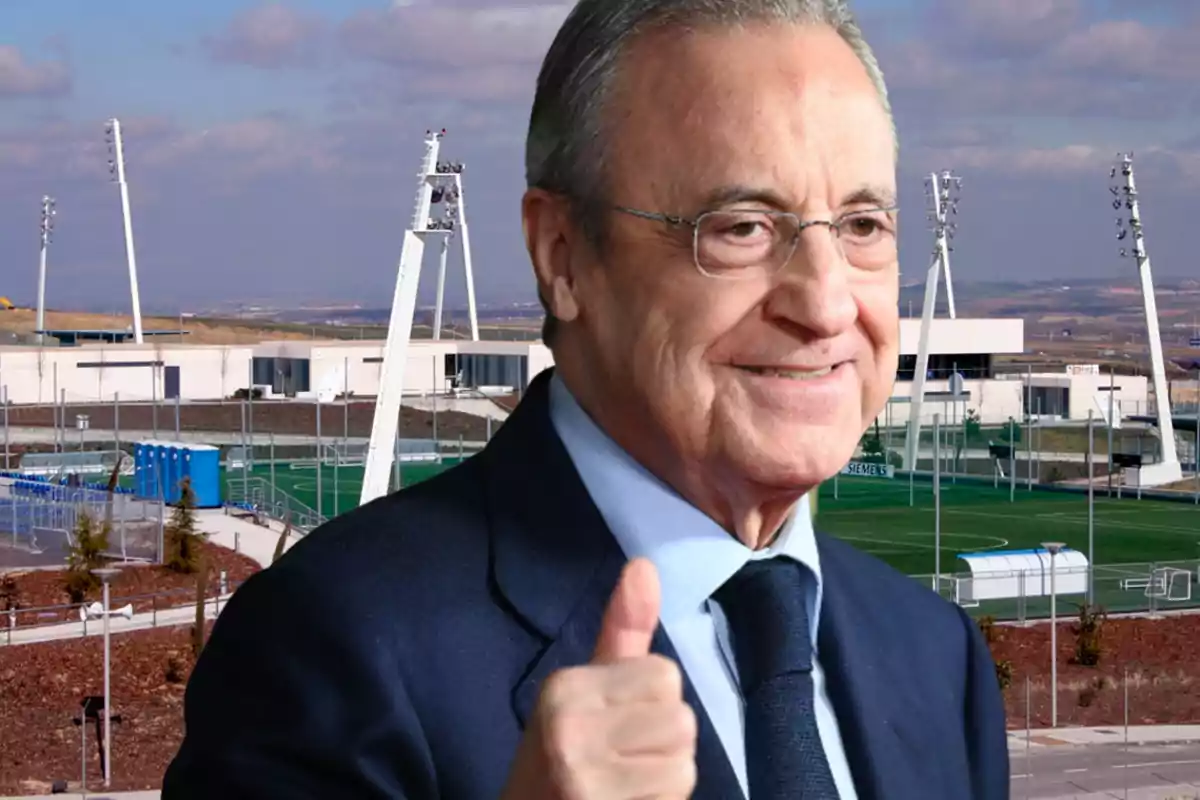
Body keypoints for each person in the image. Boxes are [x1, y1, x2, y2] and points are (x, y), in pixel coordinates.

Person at [163, 0, 1008, 798]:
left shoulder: (935, 657)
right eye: (741, 227)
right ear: (564, 256)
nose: (825, 305)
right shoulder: (330, 647)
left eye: (862, 227)